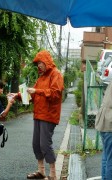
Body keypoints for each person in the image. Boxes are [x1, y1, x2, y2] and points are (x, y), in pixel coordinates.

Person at [23, 50, 64, 180]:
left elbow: (55, 94)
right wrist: (18, 96)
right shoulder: (41, 77)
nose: (39, 66)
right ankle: (41, 171)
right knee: (36, 144)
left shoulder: (56, 74)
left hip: (49, 115)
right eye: (37, 63)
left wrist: (37, 91)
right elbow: (33, 94)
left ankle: (53, 174)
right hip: (39, 114)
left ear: (46, 61)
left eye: (40, 62)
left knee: (45, 144)